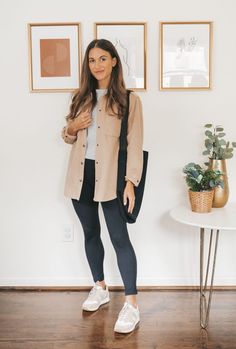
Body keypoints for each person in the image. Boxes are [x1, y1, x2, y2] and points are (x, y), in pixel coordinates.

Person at [61, 39, 144, 334]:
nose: (96, 65)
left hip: (112, 177)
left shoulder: (129, 100)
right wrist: (72, 127)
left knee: (120, 239)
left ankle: (132, 304)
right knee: (90, 233)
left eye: (102, 59)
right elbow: (67, 136)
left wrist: (131, 182)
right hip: (80, 175)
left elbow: (135, 144)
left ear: (114, 62)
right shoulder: (79, 97)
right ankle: (100, 287)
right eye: (92, 60)